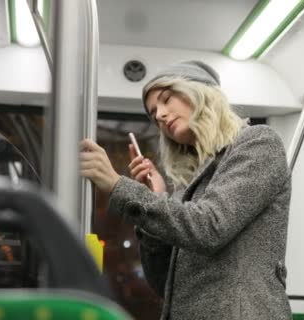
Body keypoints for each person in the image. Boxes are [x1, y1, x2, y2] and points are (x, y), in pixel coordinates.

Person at [80, 61, 292, 319]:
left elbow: (209, 226)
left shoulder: (258, 144)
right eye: (154, 112)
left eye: (167, 99)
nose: (159, 114)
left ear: (200, 93)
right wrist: (158, 199)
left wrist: (117, 186)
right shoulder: (188, 187)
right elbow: (164, 285)